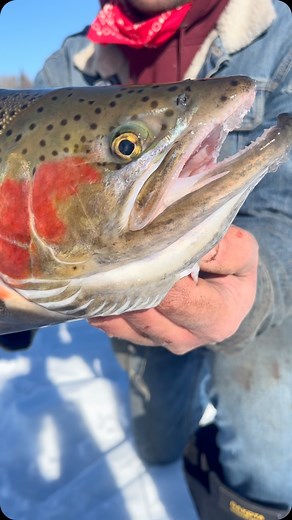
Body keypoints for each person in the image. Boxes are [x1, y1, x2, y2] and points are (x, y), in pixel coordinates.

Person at [32, 0, 292, 518]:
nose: (127, 145)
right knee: (156, 445)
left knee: (271, 462)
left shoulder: (279, 32)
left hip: (263, 295)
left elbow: (285, 209)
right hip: (129, 307)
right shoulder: (72, 63)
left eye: (128, 143)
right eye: (127, 144)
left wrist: (257, 286)